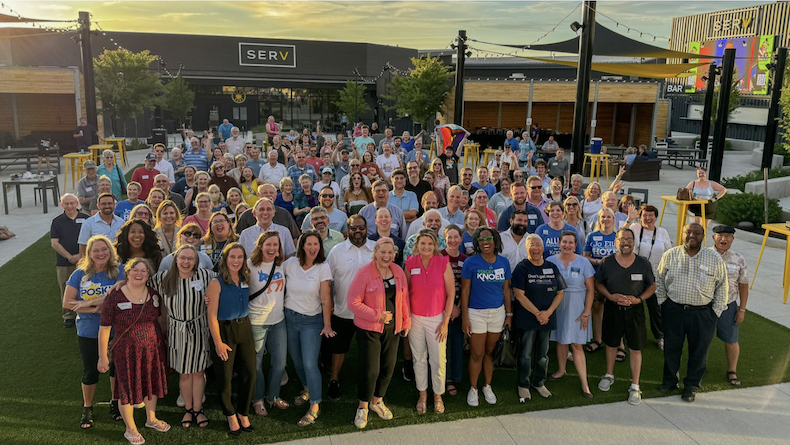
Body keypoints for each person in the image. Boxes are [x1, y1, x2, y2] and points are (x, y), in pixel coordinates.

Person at [98, 258, 169, 445]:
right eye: (135, 270)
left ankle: (151, 419)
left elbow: (159, 320)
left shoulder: (154, 294)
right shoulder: (115, 296)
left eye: (144, 270)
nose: (139, 274)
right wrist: (103, 356)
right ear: (127, 272)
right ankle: (130, 428)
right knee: (127, 389)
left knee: (151, 384)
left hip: (153, 349)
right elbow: (104, 327)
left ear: (148, 274)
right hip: (126, 352)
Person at [657, 223, 728, 402]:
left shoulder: (714, 258)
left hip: (703, 314)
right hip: (674, 310)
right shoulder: (670, 255)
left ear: (703, 236)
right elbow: (659, 279)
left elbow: (722, 287)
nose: (691, 236)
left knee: (699, 351)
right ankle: (669, 381)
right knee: (672, 349)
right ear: (682, 234)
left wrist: (715, 312)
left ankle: (691, 387)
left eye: (696, 233)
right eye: (688, 232)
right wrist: (663, 303)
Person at [348, 237, 410, 429]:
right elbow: (353, 303)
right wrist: (377, 316)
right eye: (382, 252)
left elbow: (404, 298)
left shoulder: (398, 271)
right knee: (371, 369)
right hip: (369, 329)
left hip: (393, 328)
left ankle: (377, 401)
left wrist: (405, 321)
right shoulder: (364, 273)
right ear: (375, 253)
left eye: (390, 252)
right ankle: (363, 406)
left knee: (388, 367)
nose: (386, 256)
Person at [149, 245, 214, 428]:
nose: (186, 262)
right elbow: (139, 282)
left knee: (199, 373)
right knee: (184, 374)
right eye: (182, 258)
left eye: (190, 259)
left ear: (196, 261)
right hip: (177, 331)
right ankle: (188, 409)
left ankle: (198, 409)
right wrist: (120, 283)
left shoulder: (205, 275)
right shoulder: (164, 278)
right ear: (176, 259)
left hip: (200, 329)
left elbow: (224, 283)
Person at [63, 235, 123, 429]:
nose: (100, 253)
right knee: (91, 371)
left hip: (116, 329)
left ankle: (115, 402)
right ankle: (87, 408)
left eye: (104, 249)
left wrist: (87, 303)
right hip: (89, 330)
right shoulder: (79, 274)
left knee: (116, 369)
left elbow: (115, 297)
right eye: (95, 250)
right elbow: (67, 303)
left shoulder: (120, 271)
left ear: (110, 251)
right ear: (89, 254)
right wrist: (93, 309)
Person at [595, 228, 657, 406]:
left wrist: (638, 299)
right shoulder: (607, 262)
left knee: (636, 348)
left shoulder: (643, 263)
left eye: (629, 239)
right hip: (613, 309)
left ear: (634, 242)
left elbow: (651, 287)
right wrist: (611, 296)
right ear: (616, 242)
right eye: (622, 239)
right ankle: (609, 374)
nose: (626, 243)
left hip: (634, 311)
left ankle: (635, 385)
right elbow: (599, 283)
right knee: (611, 344)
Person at [282, 231, 335, 426]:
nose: (313, 248)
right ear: (302, 246)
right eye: (309, 244)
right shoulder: (290, 264)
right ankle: (307, 388)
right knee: (296, 360)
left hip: (311, 321)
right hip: (290, 318)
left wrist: (327, 324)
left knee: (310, 363)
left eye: (316, 244)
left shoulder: (323, 267)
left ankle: (315, 404)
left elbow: (325, 298)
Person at [206, 243, 256, 434]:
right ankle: (230, 414)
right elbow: (211, 315)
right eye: (232, 257)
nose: (236, 261)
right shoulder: (216, 282)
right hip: (224, 331)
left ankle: (243, 412)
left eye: (240, 257)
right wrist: (218, 342)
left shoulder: (245, 278)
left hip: (244, 328)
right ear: (225, 259)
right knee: (225, 377)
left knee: (250, 373)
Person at [405, 229, 455, 414]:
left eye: (430, 243)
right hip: (415, 318)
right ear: (417, 244)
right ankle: (423, 395)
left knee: (438, 360)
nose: (426, 247)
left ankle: (438, 395)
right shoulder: (410, 263)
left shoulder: (442, 262)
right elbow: (405, 292)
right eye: (423, 243)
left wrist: (445, 321)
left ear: (435, 246)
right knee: (419, 358)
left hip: (437, 318)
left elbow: (451, 294)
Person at [461, 227, 513, 407]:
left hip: (497, 313)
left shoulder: (504, 262)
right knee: (477, 353)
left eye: (489, 239)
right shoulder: (470, 262)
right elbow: (465, 291)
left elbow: (506, 290)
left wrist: (509, 314)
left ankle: (487, 386)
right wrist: (465, 318)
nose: (486, 242)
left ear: (495, 241)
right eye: (482, 240)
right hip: (476, 313)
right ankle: (473, 388)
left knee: (490, 353)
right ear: (477, 243)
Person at [511, 234, 566, 401]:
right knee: (525, 353)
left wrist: (547, 313)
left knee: (543, 354)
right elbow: (519, 295)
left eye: (538, 245)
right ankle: (523, 384)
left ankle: (538, 382)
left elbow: (560, 293)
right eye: (531, 245)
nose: (535, 248)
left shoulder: (552, 267)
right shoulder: (522, 268)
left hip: (547, 319)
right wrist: (537, 313)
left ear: (543, 248)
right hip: (527, 319)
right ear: (526, 249)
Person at [546, 231, 595, 397]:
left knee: (576, 344)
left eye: (570, 243)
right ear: (559, 243)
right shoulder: (550, 261)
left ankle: (585, 383)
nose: (567, 245)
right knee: (560, 339)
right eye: (564, 242)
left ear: (576, 245)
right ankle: (561, 370)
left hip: (577, 307)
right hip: (557, 305)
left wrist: (586, 313)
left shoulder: (583, 262)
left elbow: (590, 290)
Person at [247, 231, 289, 415]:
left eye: (275, 245)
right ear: (260, 246)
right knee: (255, 364)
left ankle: (273, 396)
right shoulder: (249, 265)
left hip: (278, 321)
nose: (272, 248)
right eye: (268, 245)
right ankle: (258, 399)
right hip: (256, 322)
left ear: (279, 249)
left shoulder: (282, 266)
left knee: (280, 362)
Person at [710, 225, 749, 388]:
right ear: (714, 238)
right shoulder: (703, 255)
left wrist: (741, 310)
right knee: (701, 339)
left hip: (728, 306)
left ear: (732, 239)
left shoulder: (739, 259)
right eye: (720, 235)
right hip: (705, 306)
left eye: (727, 236)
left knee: (732, 340)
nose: (723, 239)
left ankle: (732, 371)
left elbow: (743, 285)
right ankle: (699, 367)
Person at [630, 204, 673, 350]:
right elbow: (622, 236)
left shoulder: (662, 232)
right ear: (640, 216)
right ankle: (633, 335)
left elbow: (669, 253)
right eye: (645, 215)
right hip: (637, 273)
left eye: (651, 215)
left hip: (657, 275)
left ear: (656, 217)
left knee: (656, 308)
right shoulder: (635, 228)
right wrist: (629, 219)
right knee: (635, 307)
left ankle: (660, 336)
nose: (648, 218)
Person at [583, 208, 619, 355]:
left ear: (613, 219)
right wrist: (597, 261)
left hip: (615, 279)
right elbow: (585, 257)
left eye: (608, 216)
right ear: (599, 219)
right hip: (596, 278)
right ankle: (598, 340)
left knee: (616, 311)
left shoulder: (618, 236)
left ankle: (619, 344)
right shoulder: (592, 236)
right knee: (597, 309)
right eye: (603, 217)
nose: (605, 219)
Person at [52, 194, 90, 328]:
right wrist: (69, 256)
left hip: (85, 260)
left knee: (87, 286)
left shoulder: (86, 219)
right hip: (64, 262)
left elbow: (91, 240)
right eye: (66, 204)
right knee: (65, 287)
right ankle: (68, 315)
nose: (69, 206)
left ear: (77, 203)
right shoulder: (57, 221)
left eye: (72, 203)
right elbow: (55, 243)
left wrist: (80, 255)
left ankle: (86, 311)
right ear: (62, 205)